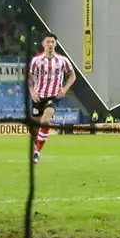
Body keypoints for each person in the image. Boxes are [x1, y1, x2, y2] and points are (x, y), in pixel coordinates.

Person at [27, 34, 76, 165]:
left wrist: (64, 89)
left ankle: (37, 152)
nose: (50, 44)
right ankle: (36, 146)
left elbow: (72, 75)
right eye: (47, 42)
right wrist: (32, 92)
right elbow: (29, 78)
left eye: (52, 42)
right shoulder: (36, 60)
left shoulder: (62, 60)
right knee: (34, 128)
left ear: (55, 44)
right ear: (43, 44)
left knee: (46, 120)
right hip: (38, 96)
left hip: (53, 96)